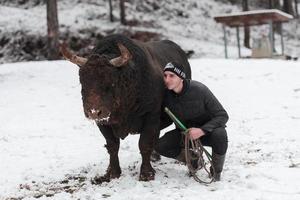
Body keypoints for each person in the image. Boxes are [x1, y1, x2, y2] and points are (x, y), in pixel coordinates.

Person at [155, 62, 229, 181]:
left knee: (220, 135)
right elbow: (162, 119)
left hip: (208, 133)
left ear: (181, 77)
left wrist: (202, 130)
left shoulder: (200, 90)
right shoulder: (165, 96)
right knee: (160, 146)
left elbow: (222, 115)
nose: (167, 79)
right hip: (185, 135)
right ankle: (193, 159)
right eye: (165, 75)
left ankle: (216, 170)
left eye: (171, 76)